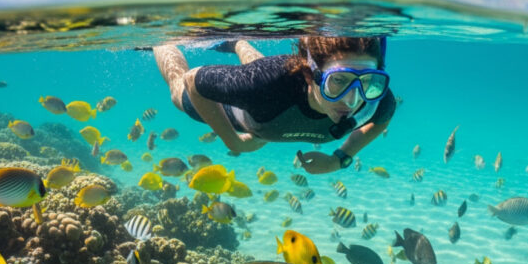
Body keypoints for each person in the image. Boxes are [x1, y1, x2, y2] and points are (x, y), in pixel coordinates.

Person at [153, 36, 395, 175]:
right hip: (242, 113)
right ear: (311, 75)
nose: (352, 100)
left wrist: (339, 159)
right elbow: (193, 80)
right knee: (178, 93)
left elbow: (383, 116)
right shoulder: (265, 83)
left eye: (366, 82)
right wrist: (233, 141)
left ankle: (239, 42)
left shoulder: (373, 100)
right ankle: (160, 38)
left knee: (258, 75)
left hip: (268, 99)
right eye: (338, 81)